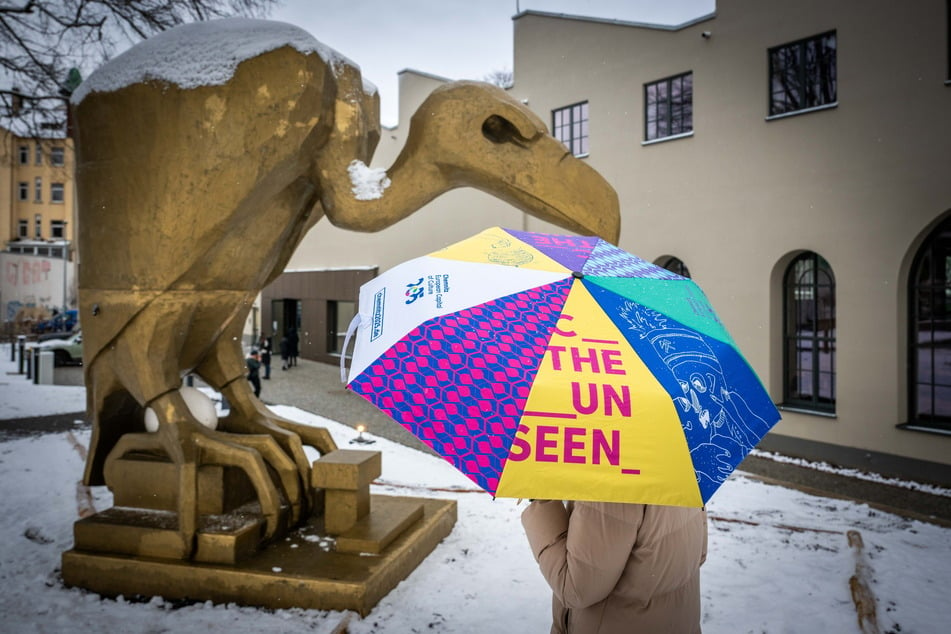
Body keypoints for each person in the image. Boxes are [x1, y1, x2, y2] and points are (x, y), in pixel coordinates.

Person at [521, 500, 707, 633]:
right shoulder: (680, 466)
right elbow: (699, 553)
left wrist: (542, 503)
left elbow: (576, 589)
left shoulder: (612, 479)